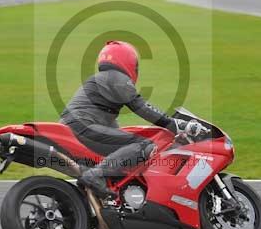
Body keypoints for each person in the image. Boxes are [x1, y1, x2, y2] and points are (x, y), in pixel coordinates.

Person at [60, 41, 191, 198]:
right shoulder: (116, 77)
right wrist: (173, 123)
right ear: (126, 60)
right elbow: (141, 106)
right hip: (83, 125)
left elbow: (114, 130)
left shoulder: (103, 80)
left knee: (125, 149)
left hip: (77, 126)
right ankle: (96, 175)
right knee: (142, 145)